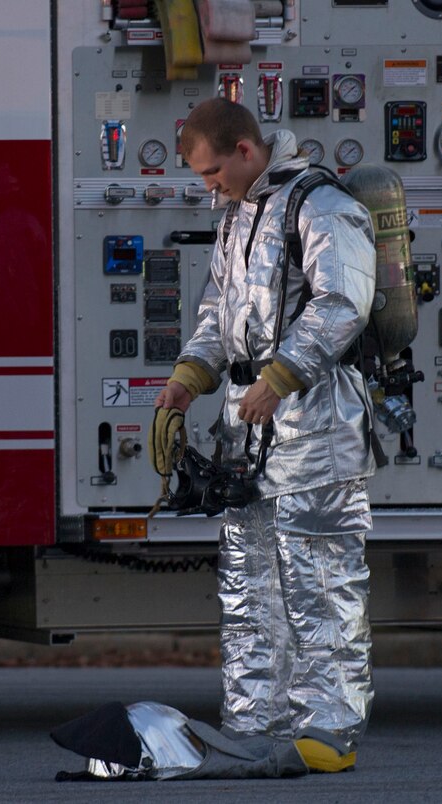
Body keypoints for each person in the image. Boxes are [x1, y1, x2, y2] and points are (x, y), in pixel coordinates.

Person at [153, 97, 377, 772]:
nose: (208, 186)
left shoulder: (322, 206)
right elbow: (218, 311)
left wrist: (280, 377)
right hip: (250, 430)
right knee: (251, 584)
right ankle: (257, 721)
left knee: (320, 582)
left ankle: (329, 731)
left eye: (213, 172)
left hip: (318, 427)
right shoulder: (238, 216)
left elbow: (343, 303)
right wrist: (189, 377)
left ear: (247, 151)